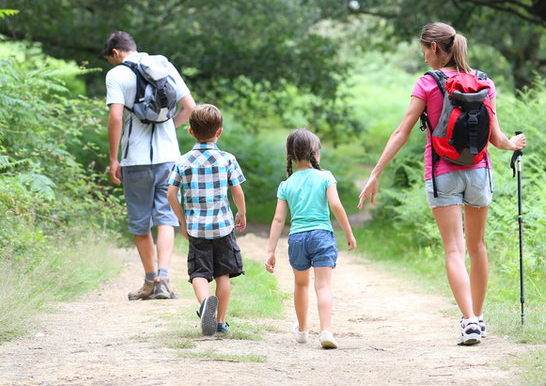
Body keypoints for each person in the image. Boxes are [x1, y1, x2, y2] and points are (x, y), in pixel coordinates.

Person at [357, 22, 527, 346]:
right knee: (478, 247)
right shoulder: (484, 82)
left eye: (424, 50)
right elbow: (496, 138)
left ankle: (469, 322)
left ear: (434, 48)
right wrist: (513, 143)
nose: (423, 59)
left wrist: (375, 172)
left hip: (442, 172)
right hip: (480, 172)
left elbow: (402, 131)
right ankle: (478, 317)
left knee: (454, 248)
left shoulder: (427, 83)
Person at [103, 31, 196, 301]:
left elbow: (115, 118)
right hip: (169, 157)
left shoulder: (117, 74)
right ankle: (164, 280)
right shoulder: (163, 66)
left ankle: (149, 281)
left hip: (136, 160)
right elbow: (189, 106)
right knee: (165, 218)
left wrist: (113, 158)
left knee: (140, 223)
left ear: (116, 53)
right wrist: (168, 126)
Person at [265, 129, 357, 349]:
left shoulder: (286, 185)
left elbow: (278, 219)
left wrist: (270, 250)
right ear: (315, 153)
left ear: (291, 157)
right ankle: (325, 330)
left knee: (300, 284)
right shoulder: (325, 177)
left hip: (297, 238)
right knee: (323, 286)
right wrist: (348, 232)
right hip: (321, 236)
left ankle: (303, 330)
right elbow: (335, 205)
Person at [167, 104, 247, 336]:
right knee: (223, 274)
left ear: (190, 131)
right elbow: (237, 191)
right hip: (222, 226)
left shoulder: (183, 161)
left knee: (199, 273)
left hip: (196, 228)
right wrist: (240, 212)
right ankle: (220, 322)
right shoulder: (227, 159)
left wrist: (182, 221)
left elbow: (171, 193)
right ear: (219, 132)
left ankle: (204, 305)